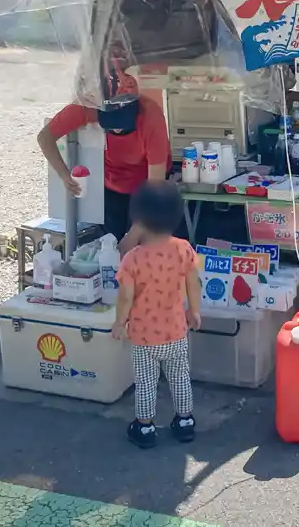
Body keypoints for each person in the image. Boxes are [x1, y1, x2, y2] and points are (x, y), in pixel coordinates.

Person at [37, 69, 172, 253]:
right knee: (110, 246)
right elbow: (45, 137)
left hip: (146, 186)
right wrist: (63, 174)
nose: (116, 131)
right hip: (112, 183)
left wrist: (134, 234)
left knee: (141, 249)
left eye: (122, 125)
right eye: (110, 125)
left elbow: (155, 186)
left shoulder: (151, 117)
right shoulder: (87, 106)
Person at [110, 182, 201, 449]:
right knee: (180, 377)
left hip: (143, 336)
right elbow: (193, 282)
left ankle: (145, 426)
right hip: (175, 330)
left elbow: (126, 296)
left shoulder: (133, 259)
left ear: (139, 220)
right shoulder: (183, 249)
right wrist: (194, 310)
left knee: (146, 382)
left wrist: (119, 322)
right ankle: (185, 421)